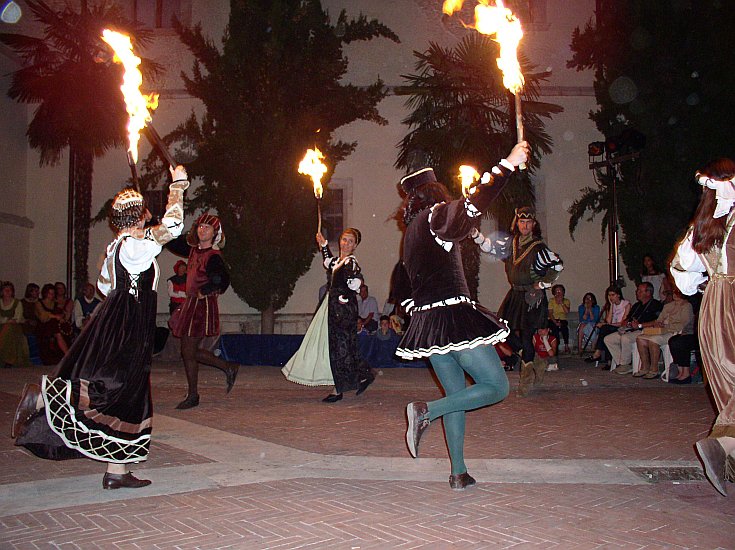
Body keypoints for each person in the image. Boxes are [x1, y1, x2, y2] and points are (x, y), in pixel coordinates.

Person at [12, 166, 188, 489]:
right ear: (136, 219)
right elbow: (173, 226)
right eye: (143, 216)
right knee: (113, 387)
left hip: (123, 321)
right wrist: (177, 183)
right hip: (128, 325)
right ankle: (43, 397)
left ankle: (116, 471)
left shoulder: (116, 250)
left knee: (129, 392)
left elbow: (106, 287)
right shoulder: (135, 248)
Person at [399, 141, 529, 490]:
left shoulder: (412, 232)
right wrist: (508, 165)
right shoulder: (436, 215)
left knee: (455, 393)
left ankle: (458, 472)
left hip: (429, 325)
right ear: (433, 191)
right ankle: (426, 411)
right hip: (452, 317)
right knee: (497, 386)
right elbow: (472, 204)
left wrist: (476, 237)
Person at [670, 157, 735, 496]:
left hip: (713, 306)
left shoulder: (703, 223)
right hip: (730, 301)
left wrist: (706, 286)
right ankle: (724, 445)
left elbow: (683, 271)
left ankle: (725, 448)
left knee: (728, 382)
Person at [473, 206, 563, 391]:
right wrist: (476, 235)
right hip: (515, 294)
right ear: (517, 223)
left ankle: (526, 378)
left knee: (528, 333)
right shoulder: (511, 243)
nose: (525, 225)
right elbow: (490, 246)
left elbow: (558, 265)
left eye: (528, 222)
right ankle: (536, 361)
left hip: (532, 295)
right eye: (522, 222)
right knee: (502, 330)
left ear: (533, 224)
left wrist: (543, 284)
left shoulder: (539, 247)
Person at [282, 228, 375, 402]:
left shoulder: (350, 262)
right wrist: (324, 245)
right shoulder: (339, 261)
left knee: (339, 346)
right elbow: (328, 262)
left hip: (343, 310)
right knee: (343, 345)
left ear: (355, 245)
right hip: (332, 307)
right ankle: (365, 374)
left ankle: (338, 388)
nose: (346, 243)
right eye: (344, 239)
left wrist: (346, 293)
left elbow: (356, 280)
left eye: (350, 241)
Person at [168, 213, 240, 409]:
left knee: (187, 351)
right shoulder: (193, 250)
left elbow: (223, 280)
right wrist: (153, 223)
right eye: (200, 227)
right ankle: (227, 367)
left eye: (207, 228)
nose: (202, 230)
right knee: (188, 351)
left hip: (201, 306)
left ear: (214, 233)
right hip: (191, 304)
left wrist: (205, 290)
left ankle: (194, 395)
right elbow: (169, 241)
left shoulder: (213, 256)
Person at [634, 286, 693, 379]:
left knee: (654, 340)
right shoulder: (668, 306)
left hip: (675, 332)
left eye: (677, 293)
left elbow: (684, 324)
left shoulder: (686, 306)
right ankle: (645, 366)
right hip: (662, 330)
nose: (674, 295)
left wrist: (667, 326)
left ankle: (654, 369)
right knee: (640, 338)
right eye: (673, 293)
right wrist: (659, 324)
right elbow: (659, 319)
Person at [607, 281, 663, 375]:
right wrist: (627, 324)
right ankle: (622, 362)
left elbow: (657, 321)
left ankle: (625, 363)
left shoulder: (656, 305)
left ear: (648, 293)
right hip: (630, 330)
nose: (637, 292)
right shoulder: (637, 305)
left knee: (625, 339)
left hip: (644, 331)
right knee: (608, 339)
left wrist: (640, 325)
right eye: (637, 290)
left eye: (640, 291)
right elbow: (626, 319)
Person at [584, 285, 630, 368]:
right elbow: (608, 321)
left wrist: (607, 325)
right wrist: (612, 306)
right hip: (611, 327)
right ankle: (609, 361)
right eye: (609, 295)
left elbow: (623, 322)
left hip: (622, 328)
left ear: (618, 295)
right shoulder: (610, 306)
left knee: (605, 328)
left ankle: (598, 353)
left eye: (613, 295)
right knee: (606, 331)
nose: (611, 297)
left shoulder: (626, 305)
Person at [35, 283, 71, 365]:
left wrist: (61, 316)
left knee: (57, 328)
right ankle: (67, 354)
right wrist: (54, 316)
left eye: (53, 293)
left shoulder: (55, 304)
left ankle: (65, 354)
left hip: (54, 327)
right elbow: (43, 316)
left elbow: (62, 313)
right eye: (49, 293)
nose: (51, 295)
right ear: (45, 293)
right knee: (54, 327)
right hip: (42, 327)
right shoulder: (39, 303)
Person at [0, 281, 30, 368]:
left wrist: (8, 321)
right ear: (2, 292)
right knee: (6, 328)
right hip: (2, 326)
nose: (8, 292)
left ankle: (8, 359)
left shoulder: (17, 303)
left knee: (9, 329)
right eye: (6, 290)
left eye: (10, 290)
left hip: (14, 327)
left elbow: (18, 318)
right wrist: (7, 320)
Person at [548, 284, 571, 353]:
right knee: (554, 329)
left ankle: (566, 345)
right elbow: (550, 313)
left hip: (562, 319)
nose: (558, 293)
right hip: (553, 319)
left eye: (560, 291)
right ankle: (555, 348)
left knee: (564, 328)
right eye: (556, 291)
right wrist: (555, 322)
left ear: (563, 292)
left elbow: (567, 312)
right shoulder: (551, 301)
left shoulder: (566, 301)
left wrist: (562, 303)